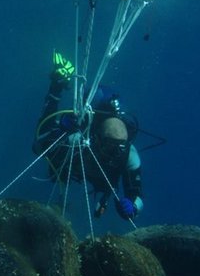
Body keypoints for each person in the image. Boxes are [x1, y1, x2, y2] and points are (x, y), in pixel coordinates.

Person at [32, 53, 144, 220]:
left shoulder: (129, 154)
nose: (114, 154)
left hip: (95, 177)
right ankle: (58, 84)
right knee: (51, 160)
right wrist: (61, 132)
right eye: (110, 146)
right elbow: (40, 145)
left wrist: (133, 208)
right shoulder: (79, 140)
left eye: (119, 148)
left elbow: (137, 194)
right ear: (97, 138)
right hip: (77, 161)